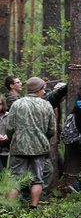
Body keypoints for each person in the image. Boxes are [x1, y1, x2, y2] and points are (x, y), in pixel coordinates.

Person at [5, 77, 57, 207]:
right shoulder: (46, 105)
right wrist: (43, 137)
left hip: (19, 147)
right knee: (37, 179)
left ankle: (9, 210)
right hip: (39, 148)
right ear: (38, 89)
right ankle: (33, 207)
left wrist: (14, 138)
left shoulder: (17, 104)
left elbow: (9, 127)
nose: (44, 92)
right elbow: (52, 129)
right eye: (43, 89)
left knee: (15, 179)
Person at [0, 96, 9, 169]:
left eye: (0, 104)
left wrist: (8, 135)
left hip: (7, 148)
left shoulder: (9, 115)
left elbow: (14, 129)